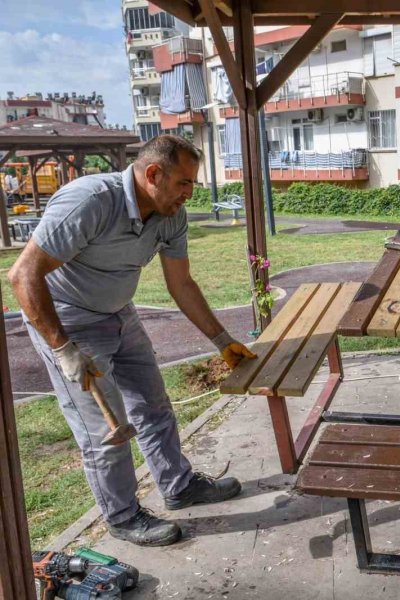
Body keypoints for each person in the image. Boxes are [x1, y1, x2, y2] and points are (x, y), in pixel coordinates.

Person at [8, 135, 257, 547]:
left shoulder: (170, 213)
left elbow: (181, 282)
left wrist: (221, 339)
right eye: (183, 183)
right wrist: (62, 347)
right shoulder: (90, 202)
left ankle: (179, 486)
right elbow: (23, 274)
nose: (188, 194)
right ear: (153, 174)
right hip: (69, 324)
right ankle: (123, 517)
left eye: (193, 184)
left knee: (154, 405)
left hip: (121, 315)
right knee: (104, 433)